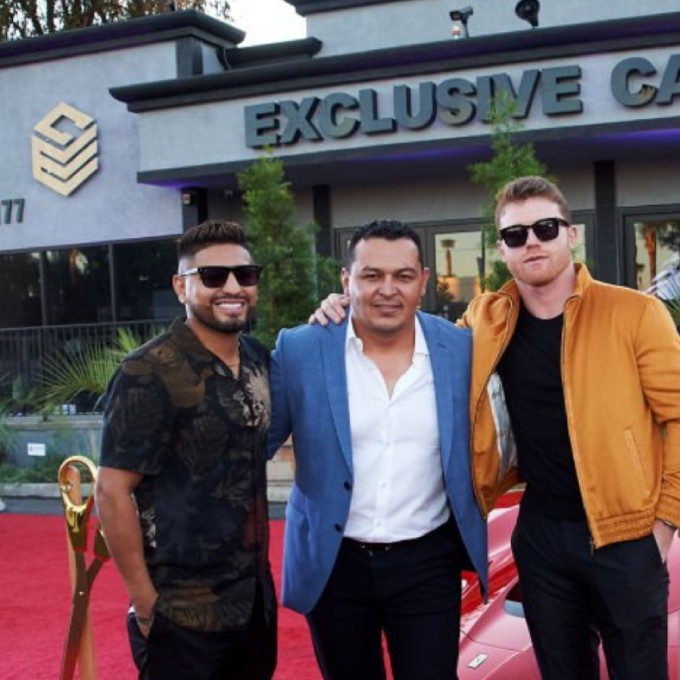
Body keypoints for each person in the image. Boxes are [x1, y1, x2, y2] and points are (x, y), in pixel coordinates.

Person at [316, 177, 680, 680]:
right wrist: (345, 311)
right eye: (515, 235)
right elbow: (413, 340)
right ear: (502, 248)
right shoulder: (485, 319)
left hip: (627, 532)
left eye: (545, 228)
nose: (531, 241)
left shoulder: (635, 312)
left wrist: (664, 524)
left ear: (570, 234)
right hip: (542, 536)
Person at [268, 219, 488, 680]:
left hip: (427, 562)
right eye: (372, 276)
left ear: (424, 282)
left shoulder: (463, 350)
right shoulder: (301, 349)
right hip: (335, 563)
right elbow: (252, 446)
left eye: (403, 276)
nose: (388, 289)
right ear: (347, 281)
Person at [95, 220, 276, 680]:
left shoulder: (257, 357)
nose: (232, 287)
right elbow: (112, 492)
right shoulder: (147, 372)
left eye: (245, 275)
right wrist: (144, 601)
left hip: (253, 602)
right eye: (213, 277)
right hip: (180, 610)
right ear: (181, 287)